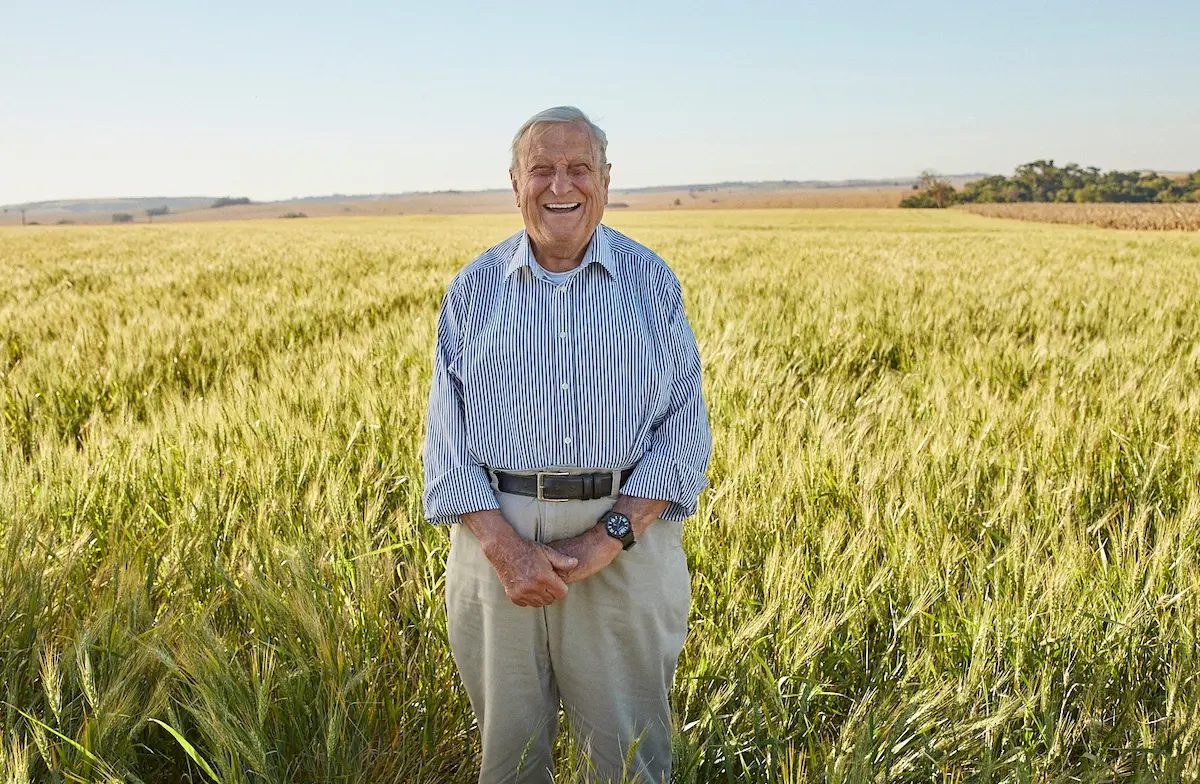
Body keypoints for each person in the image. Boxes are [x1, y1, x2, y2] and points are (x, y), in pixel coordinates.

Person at [423, 105, 712, 783]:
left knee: (628, 760)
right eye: (542, 169)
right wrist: (502, 546)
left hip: (624, 545)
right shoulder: (473, 288)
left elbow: (684, 433)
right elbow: (446, 439)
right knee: (508, 760)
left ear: (606, 180)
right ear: (515, 181)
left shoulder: (652, 283)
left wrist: (610, 535)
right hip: (495, 542)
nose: (561, 186)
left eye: (578, 168)